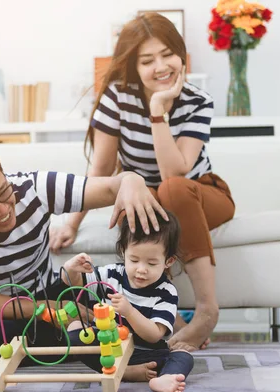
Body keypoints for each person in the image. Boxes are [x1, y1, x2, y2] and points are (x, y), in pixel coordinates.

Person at [50, 12, 235, 352]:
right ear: (133, 66)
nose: (161, 67)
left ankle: (207, 310)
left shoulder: (198, 101)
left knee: (171, 189)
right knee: (138, 199)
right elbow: (102, 167)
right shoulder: (117, 97)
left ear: (181, 54)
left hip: (201, 193)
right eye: (147, 60)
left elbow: (175, 173)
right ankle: (173, 321)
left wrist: (157, 111)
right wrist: (71, 223)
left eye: (168, 54)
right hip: (151, 198)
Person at [0, 135, 167, 369]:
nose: (4, 210)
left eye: (4, 192)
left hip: (49, 293)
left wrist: (132, 180)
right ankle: (83, 342)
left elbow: (113, 187)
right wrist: (46, 310)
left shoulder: (33, 188)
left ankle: (68, 341)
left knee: (110, 292)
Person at [61, 210, 193, 392]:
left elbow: (154, 335)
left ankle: (162, 378)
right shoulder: (112, 274)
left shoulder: (166, 292)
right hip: (108, 349)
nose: (141, 269)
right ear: (124, 252)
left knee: (183, 356)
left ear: (168, 261)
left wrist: (129, 312)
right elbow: (75, 283)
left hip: (146, 355)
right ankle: (124, 372)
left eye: (152, 263)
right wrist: (70, 269)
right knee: (75, 330)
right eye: (134, 259)